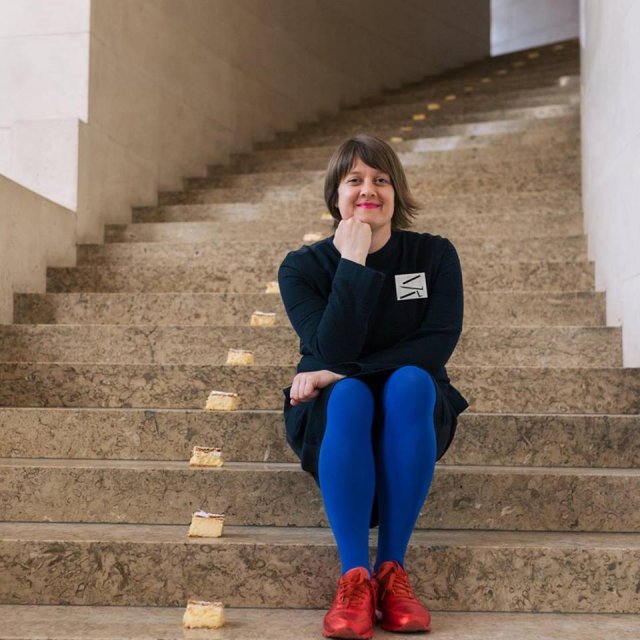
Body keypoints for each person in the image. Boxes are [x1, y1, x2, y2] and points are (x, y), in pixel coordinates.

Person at [277, 133, 468, 640]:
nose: (368, 190)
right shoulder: (303, 268)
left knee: (411, 382)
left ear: (396, 191)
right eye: (354, 180)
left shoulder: (434, 255)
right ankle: (354, 579)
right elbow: (331, 348)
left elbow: (436, 344)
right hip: (332, 410)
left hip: (414, 406)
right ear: (335, 195)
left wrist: (341, 371)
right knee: (350, 396)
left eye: (381, 179)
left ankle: (391, 572)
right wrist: (352, 262)